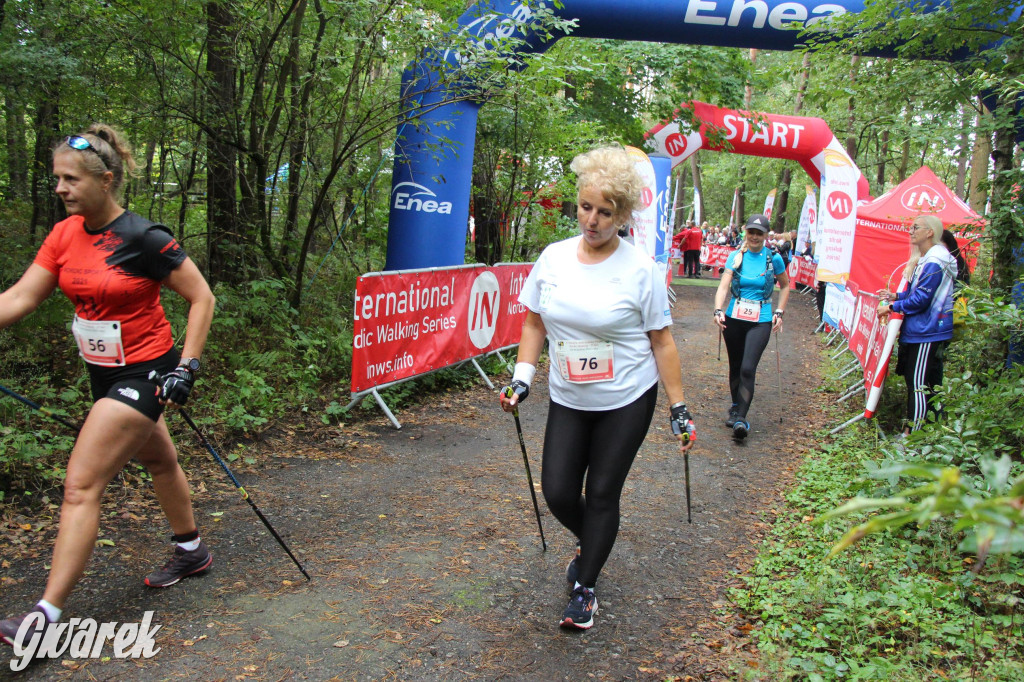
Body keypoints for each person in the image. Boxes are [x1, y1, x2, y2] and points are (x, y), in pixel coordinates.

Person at [0, 125, 216, 646]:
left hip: (147, 372)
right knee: (161, 460)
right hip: (103, 371)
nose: (60, 188)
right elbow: (20, 298)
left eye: (70, 179)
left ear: (106, 180)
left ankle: (43, 617)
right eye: (57, 178)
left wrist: (185, 367)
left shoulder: (145, 238)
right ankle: (191, 552)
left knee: (80, 486)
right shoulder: (64, 235)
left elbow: (202, 298)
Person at [498, 145, 695, 631]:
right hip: (569, 392)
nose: (592, 220)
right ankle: (594, 540)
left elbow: (662, 341)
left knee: (603, 492)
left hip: (627, 396)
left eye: (605, 212)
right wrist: (522, 378)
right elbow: (534, 324)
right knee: (560, 491)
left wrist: (679, 407)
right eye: (586, 207)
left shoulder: (641, 271)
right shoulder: (554, 257)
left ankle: (585, 586)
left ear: (623, 215)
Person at [712, 214, 790, 440]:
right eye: (751, 232)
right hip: (734, 318)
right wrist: (718, 310)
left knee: (748, 367)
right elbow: (723, 286)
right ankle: (735, 406)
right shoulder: (736, 256)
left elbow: (785, 286)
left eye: (759, 233)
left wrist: (779, 311)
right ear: (746, 233)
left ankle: (741, 419)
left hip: (761, 319)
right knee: (735, 365)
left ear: (766, 235)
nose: (755, 237)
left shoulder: (773, 258)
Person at [877, 215, 957, 434]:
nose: (911, 231)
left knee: (918, 386)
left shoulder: (935, 260)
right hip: (920, 330)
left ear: (930, 232)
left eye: (915, 227)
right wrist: (895, 295)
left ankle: (913, 437)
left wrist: (891, 308)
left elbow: (921, 300)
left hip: (927, 331)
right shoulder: (928, 258)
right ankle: (918, 432)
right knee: (918, 383)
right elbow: (915, 293)